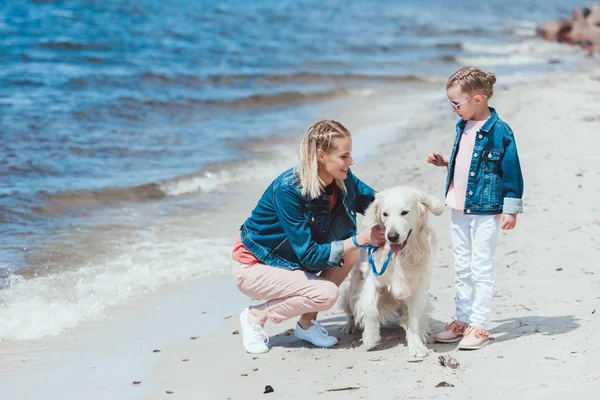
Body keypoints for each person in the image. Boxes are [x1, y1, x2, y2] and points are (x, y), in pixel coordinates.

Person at [232, 120, 385, 354]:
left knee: (350, 252)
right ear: (321, 155)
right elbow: (311, 255)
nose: (351, 162)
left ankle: (307, 324)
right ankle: (255, 315)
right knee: (327, 293)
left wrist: (403, 213)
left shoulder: (342, 178)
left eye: (350, 155)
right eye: (344, 156)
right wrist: (359, 239)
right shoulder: (289, 189)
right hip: (255, 267)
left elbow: (376, 203)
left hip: (294, 263)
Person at [427, 66, 524, 350]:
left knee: (480, 265)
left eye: (456, 104)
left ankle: (479, 325)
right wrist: (446, 162)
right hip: (459, 206)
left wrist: (510, 208)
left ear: (478, 99)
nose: (453, 109)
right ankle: (463, 319)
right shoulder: (463, 125)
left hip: (485, 209)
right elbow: (469, 162)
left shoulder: (499, 132)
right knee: (462, 265)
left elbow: (511, 172)